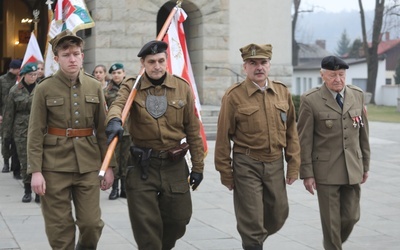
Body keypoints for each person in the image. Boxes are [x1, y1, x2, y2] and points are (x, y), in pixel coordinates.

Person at [105, 40, 205, 249]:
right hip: (143, 166)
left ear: (166, 61)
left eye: (161, 60)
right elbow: (118, 105)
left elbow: (193, 131)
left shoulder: (182, 87)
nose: (157, 66)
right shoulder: (132, 86)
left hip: (174, 165)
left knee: (179, 220)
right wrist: (114, 120)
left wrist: (198, 167)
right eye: (151, 62)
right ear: (143, 63)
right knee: (146, 227)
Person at [27, 29, 115, 250]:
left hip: (88, 165)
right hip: (54, 166)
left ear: (82, 56)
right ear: (56, 59)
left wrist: (109, 166)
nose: (72, 59)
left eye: (76, 53)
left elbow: (103, 131)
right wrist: (35, 171)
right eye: (66, 55)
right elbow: (35, 131)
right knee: (59, 227)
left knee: (91, 224)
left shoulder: (95, 86)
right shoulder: (44, 88)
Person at [214, 43, 300, 250]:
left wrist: (294, 164)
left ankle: (255, 238)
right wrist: (226, 172)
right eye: (253, 63)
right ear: (245, 67)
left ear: (269, 65)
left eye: (263, 62)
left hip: (275, 163)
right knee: (251, 219)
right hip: (247, 164)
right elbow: (223, 137)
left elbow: (291, 132)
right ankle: (252, 242)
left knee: (279, 213)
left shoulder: (281, 92)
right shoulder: (233, 96)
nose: (259, 67)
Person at [297, 56, 370, 250]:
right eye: (332, 75)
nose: (338, 79)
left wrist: (366, 166)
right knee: (331, 224)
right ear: (323, 76)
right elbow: (304, 139)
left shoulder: (357, 94)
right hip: (326, 171)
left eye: (341, 74)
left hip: (353, 167)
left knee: (352, 216)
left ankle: (332, 242)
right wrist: (307, 173)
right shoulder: (310, 100)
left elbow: (363, 133)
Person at [3, 62, 40, 203]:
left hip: (38, 128)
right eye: (30, 75)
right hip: (21, 130)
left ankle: (38, 192)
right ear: (23, 75)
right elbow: (9, 114)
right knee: (25, 161)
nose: (33, 77)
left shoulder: (41, 88)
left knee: (38, 160)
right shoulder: (15, 90)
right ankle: (27, 191)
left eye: (35, 74)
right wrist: (6, 134)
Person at [104, 63, 131, 200]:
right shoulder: (107, 91)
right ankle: (114, 188)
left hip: (128, 130)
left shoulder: (130, 90)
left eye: (119, 73)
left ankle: (124, 189)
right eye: (114, 73)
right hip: (114, 131)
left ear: (124, 73)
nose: (116, 75)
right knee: (115, 160)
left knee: (126, 160)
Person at [0, 59, 22, 176]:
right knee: (5, 139)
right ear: (13, 68)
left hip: (16, 115)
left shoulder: (20, 80)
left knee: (14, 140)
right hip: (4, 114)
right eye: (19, 68)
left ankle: (15, 164)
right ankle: (6, 162)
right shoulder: (2, 80)